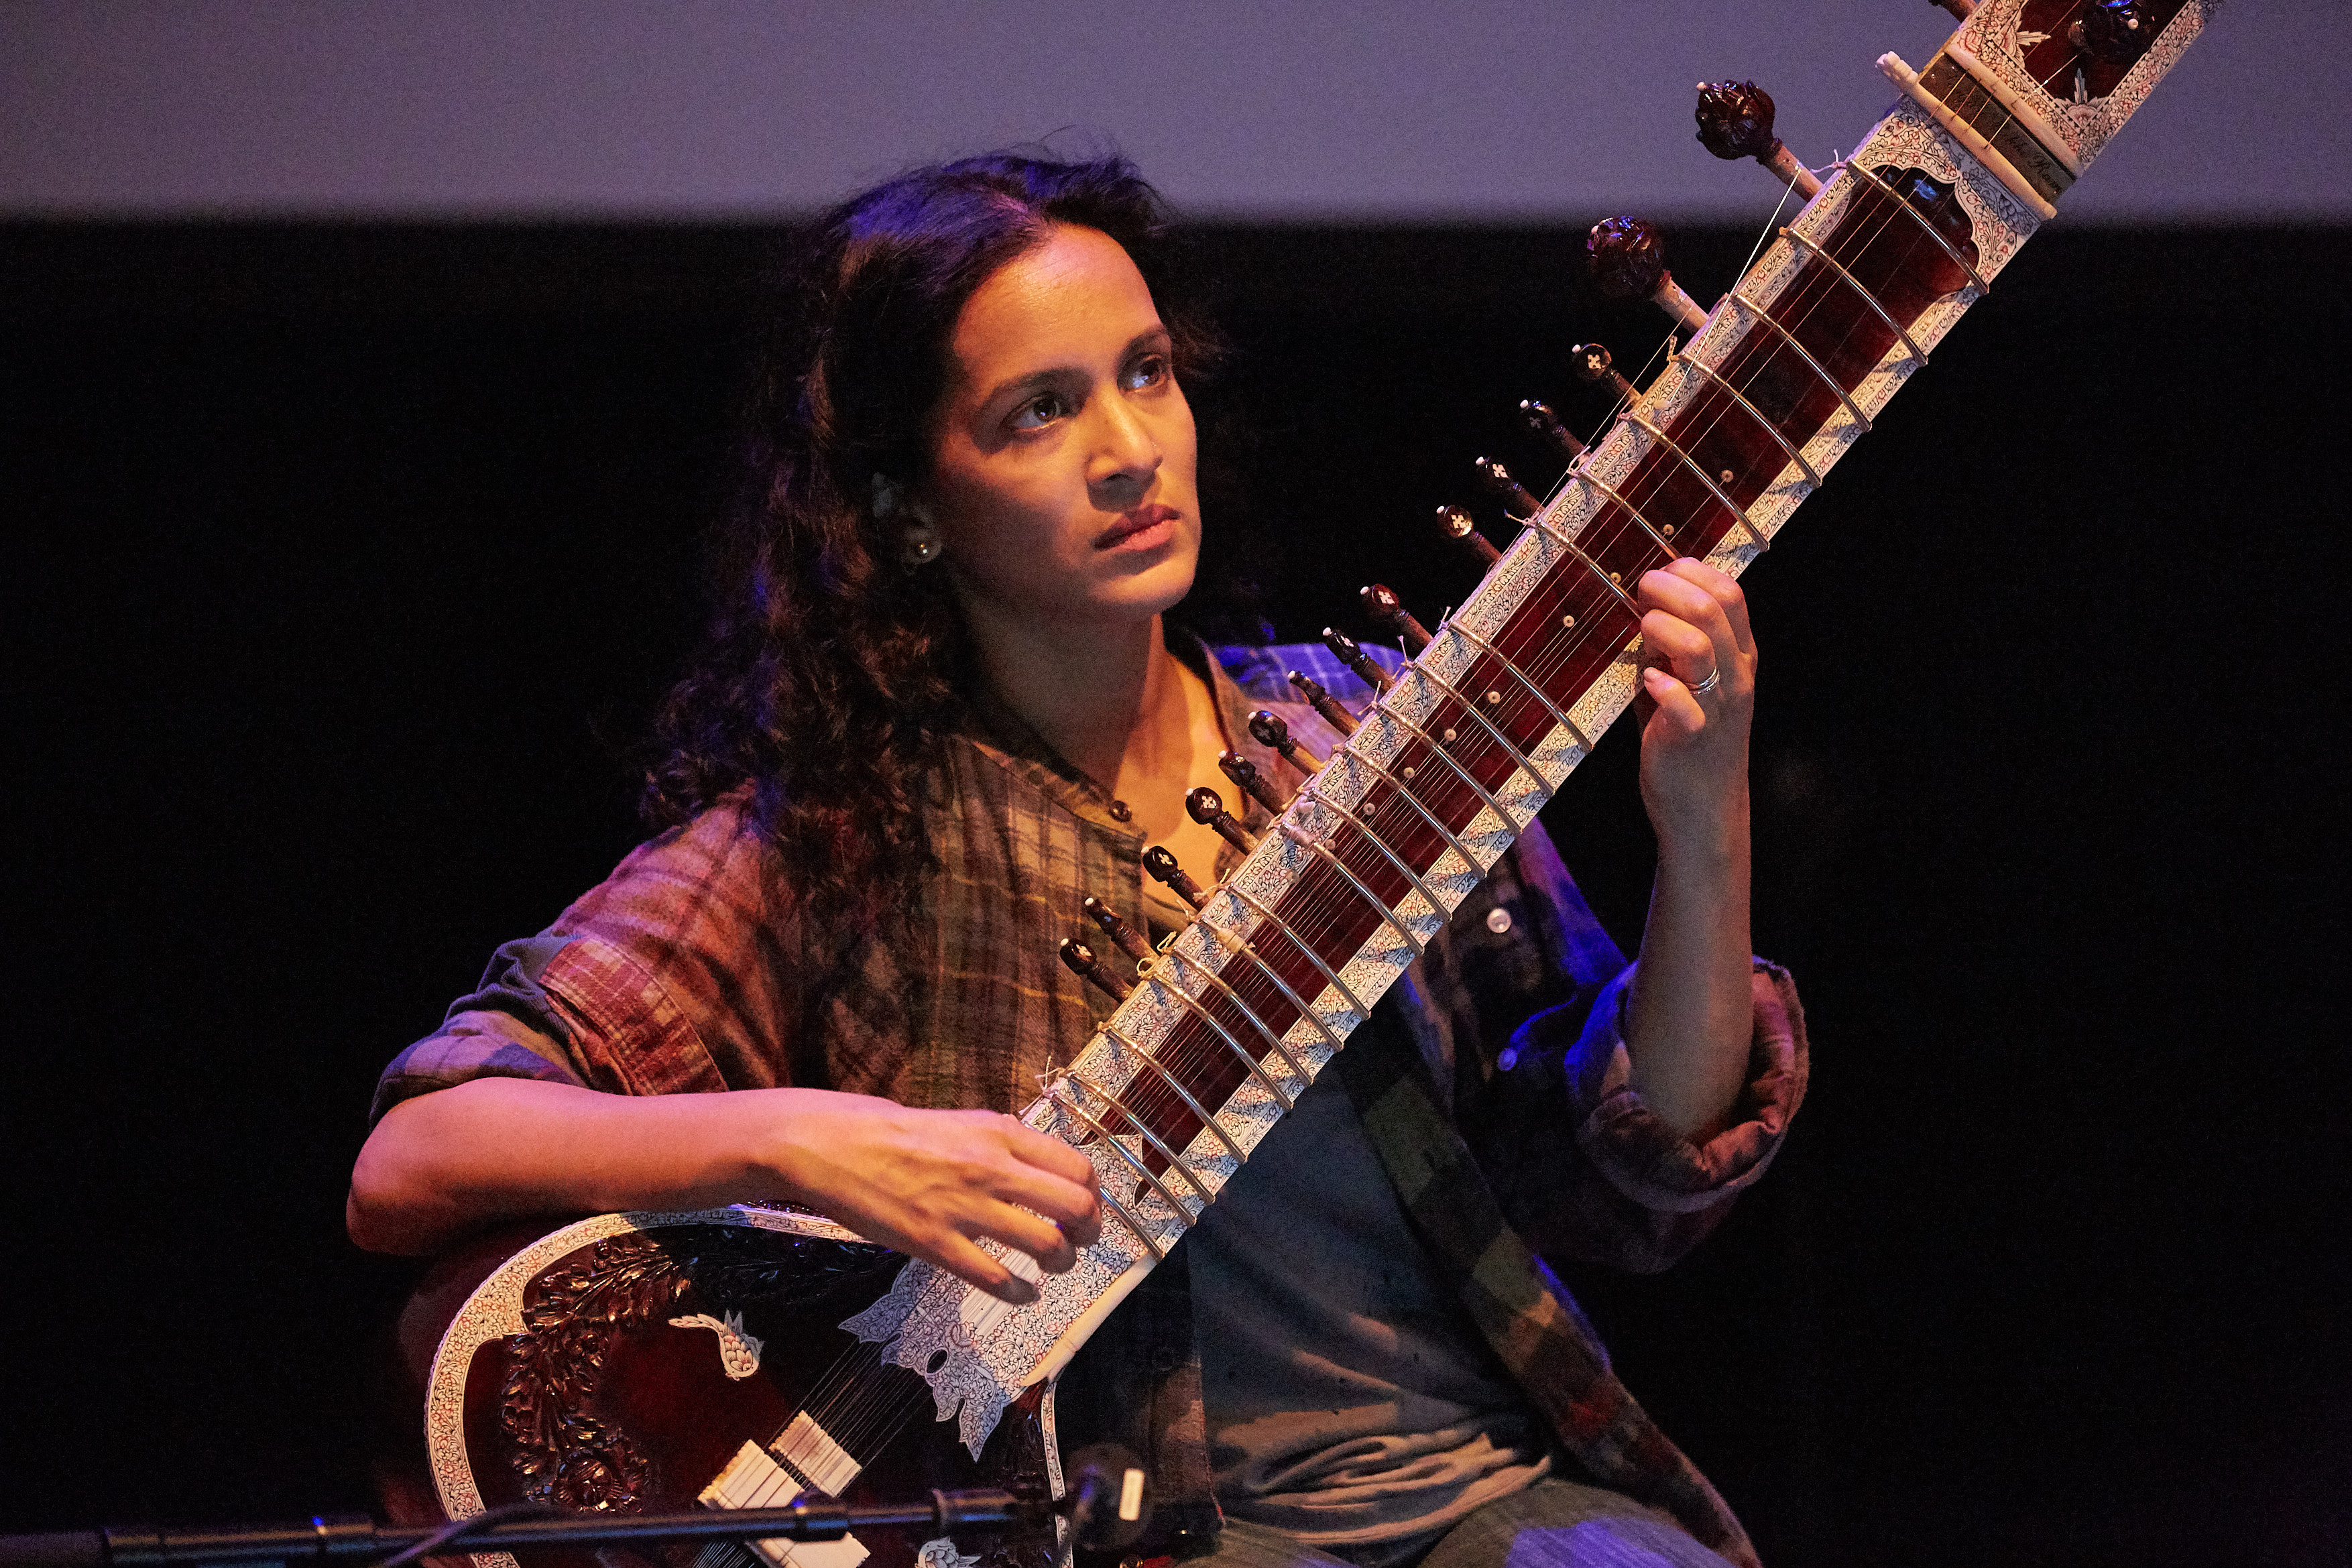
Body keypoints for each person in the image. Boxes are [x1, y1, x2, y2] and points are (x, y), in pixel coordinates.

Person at [347, 152, 1806, 1568]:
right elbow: (418, 1153)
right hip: (1156, 1532)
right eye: (1039, 411)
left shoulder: (1362, 739)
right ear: (909, 508)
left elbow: (1637, 1170)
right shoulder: (847, 836)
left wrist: (1703, 818)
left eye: (1146, 373)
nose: (1127, 450)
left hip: (1492, 1493)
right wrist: (800, 1141)